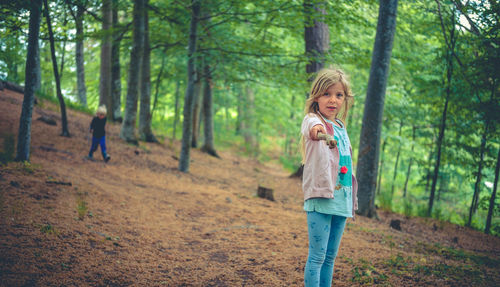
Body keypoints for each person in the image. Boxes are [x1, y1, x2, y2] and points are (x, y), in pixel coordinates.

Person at [300, 68, 358, 287]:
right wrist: (323, 135)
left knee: (330, 258)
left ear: (345, 99)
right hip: (320, 198)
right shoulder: (312, 119)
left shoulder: (341, 127)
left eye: (339, 95)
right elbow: (314, 131)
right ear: (316, 96)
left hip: (341, 201)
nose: (333, 100)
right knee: (317, 257)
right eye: (327, 94)